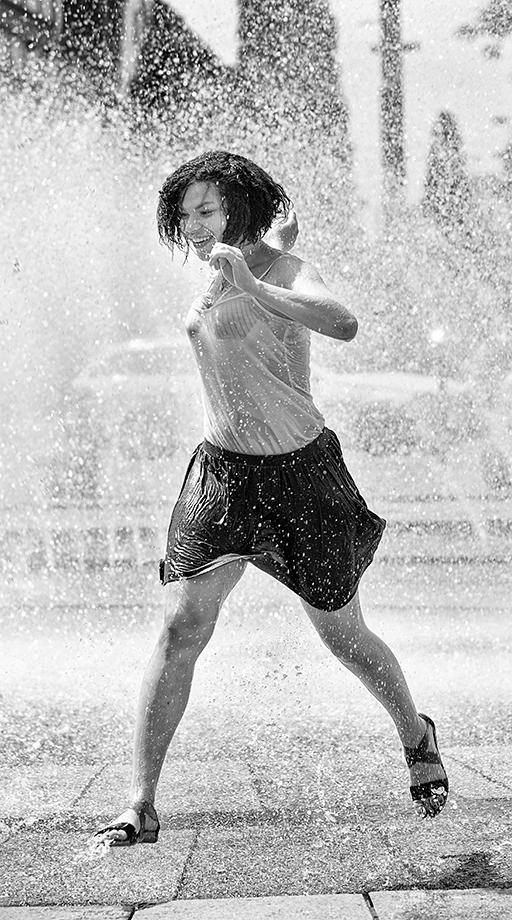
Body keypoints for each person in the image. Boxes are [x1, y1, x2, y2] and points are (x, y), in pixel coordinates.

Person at [93, 150, 448, 847]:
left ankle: (415, 731)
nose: (193, 228)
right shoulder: (227, 268)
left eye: (207, 212)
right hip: (223, 476)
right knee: (181, 625)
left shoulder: (274, 272)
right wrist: (245, 265)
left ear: (239, 210)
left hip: (300, 477)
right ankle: (141, 803)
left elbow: (342, 323)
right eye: (185, 215)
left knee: (344, 637)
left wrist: (254, 277)